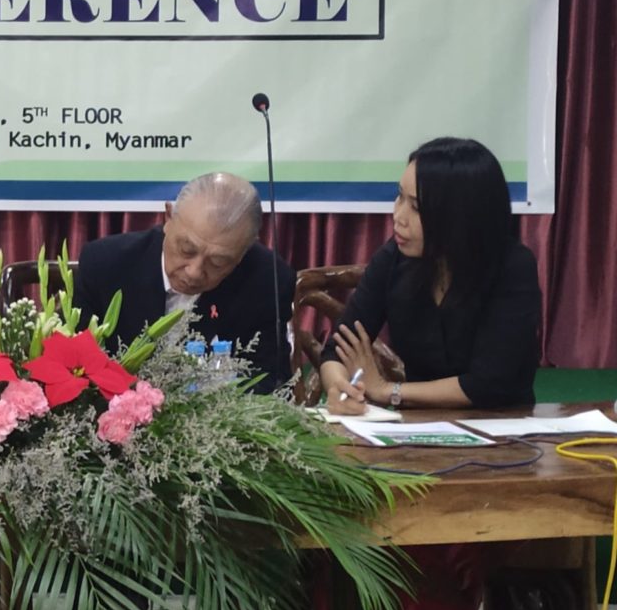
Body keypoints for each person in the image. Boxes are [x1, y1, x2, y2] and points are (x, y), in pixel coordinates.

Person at [321, 137, 541, 412]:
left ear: (460, 215)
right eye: (400, 196)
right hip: (415, 426)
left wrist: (389, 391)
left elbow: (486, 384)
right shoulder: (393, 258)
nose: (398, 216)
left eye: (416, 207)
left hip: (501, 424)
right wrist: (340, 387)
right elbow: (337, 349)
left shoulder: (513, 267)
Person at [75, 172, 293, 393]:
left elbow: (270, 383)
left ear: (244, 251)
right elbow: (73, 364)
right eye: (186, 250)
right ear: (168, 217)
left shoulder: (268, 280)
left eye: (217, 263)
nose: (194, 272)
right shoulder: (106, 264)